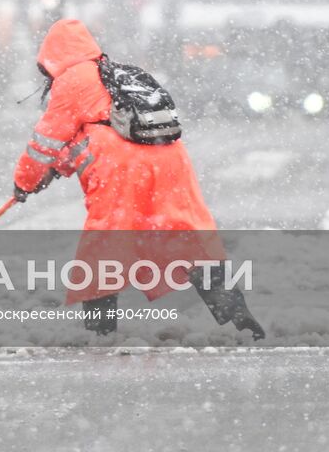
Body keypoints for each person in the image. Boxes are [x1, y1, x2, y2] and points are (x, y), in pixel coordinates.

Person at [13, 18, 264, 339]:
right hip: (168, 158)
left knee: (104, 248)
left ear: (52, 56)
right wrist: (56, 168)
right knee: (188, 239)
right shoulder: (114, 75)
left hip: (123, 171)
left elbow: (44, 143)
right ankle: (238, 318)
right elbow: (95, 132)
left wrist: (25, 181)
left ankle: (99, 332)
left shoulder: (73, 79)